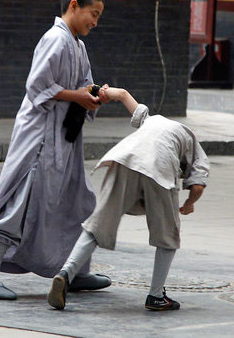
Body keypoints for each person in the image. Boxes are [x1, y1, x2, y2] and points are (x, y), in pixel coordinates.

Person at [0, 0, 112, 300]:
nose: (95, 23)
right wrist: (78, 96)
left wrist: (94, 94)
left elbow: (82, 84)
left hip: (64, 137)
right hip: (40, 138)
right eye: (93, 14)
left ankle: (75, 270)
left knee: (75, 197)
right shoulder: (55, 39)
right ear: (74, 6)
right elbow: (37, 86)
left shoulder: (77, 45)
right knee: (23, 198)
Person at [47, 86, 210, 311]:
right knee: (168, 236)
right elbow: (198, 185)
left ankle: (66, 273)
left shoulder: (152, 120)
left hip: (125, 158)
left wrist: (105, 92)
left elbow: (123, 94)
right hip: (160, 164)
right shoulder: (194, 146)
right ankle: (156, 296)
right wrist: (189, 204)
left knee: (98, 224)